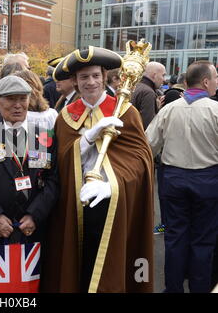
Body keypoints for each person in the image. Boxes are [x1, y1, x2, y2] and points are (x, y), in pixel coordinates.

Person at [41, 46, 154, 293]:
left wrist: (112, 185)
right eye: (83, 77)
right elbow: (58, 162)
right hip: (75, 203)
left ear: (104, 77)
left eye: (95, 75)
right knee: (79, 265)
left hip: (113, 202)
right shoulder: (65, 117)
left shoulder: (126, 111)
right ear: (74, 82)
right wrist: (87, 139)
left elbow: (141, 161)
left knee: (109, 265)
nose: (90, 82)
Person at [0, 75, 59, 292]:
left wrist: (35, 214)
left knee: (30, 286)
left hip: (31, 229)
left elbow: (53, 179)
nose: (18, 105)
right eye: (11, 99)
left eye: (22, 99)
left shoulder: (44, 134)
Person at [145, 60, 218, 293]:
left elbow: (148, 145)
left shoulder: (168, 108)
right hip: (208, 180)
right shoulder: (215, 110)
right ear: (206, 81)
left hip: (173, 180)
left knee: (175, 238)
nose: (217, 82)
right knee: (203, 241)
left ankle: (173, 288)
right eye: (215, 78)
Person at [131, 61, 166, 129]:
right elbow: (148, 126)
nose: (164, 80)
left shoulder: (136, 86)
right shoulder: (148, 93)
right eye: (163, 75)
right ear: (154, 75)